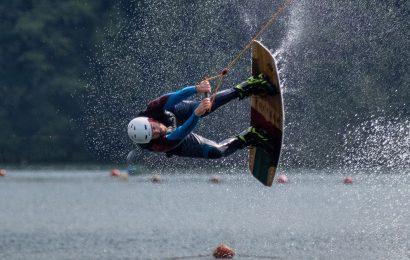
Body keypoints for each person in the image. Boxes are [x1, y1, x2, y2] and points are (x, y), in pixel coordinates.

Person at [126, 74, 275, 163]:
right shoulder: (158, 145)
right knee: (216, 153)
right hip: (178, 142)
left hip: (175, 113)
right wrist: (196, 114)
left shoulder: (152, 108)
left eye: (153, 127)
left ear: (150, 120)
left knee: (206, 107)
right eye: (154, 134)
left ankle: (249, 85)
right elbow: (182, 132)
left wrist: (197, 88)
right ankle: (250, 136)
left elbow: (175, 96)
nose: (158, 130)